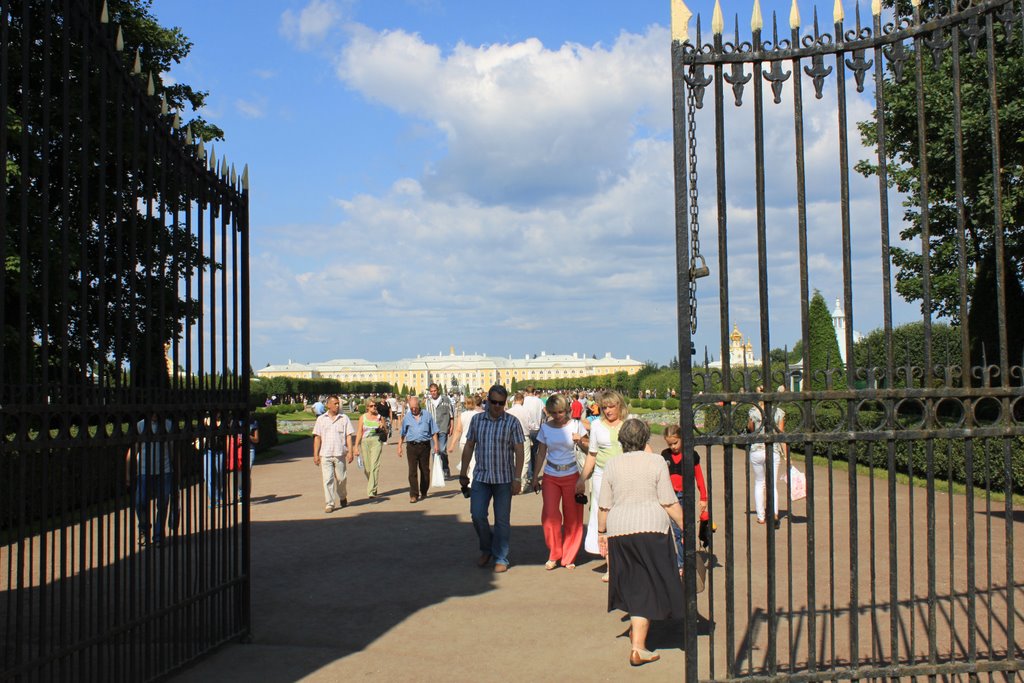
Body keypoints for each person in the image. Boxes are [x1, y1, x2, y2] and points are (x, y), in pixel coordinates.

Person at [597, 418, 684, 666]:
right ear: (646, 439)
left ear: (622, 440)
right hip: (652, 528)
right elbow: (668, 501)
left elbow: (604, 503)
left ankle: (638, 643)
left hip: (620, 529)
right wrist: (686, 525)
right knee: (649, 585)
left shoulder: (613, 464)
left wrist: (601, 533)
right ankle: (638, 646)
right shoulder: (656, 461)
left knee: (636, 584)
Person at [459, 384, 525, 573]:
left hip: (504, 478)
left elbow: (519, 450)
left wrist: (517, 478)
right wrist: (463, 472)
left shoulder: (512, 422)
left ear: (505, 403)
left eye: (501, 403)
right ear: (487, 400)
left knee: (502, 520)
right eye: (493, 402)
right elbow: (469, 445)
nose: (497, 406)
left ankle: (501, 557)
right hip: (481, 476)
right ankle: (486, 547)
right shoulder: (477, 420)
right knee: (477, 515)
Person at [577, 390, 631, 581]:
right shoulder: (597, 425)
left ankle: (626, 560)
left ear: (619, 406)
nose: (608, 411)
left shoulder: (628, 424)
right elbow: (592, 454)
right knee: (604, 517)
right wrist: (582, 479)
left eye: (611, 406)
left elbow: (640, 448)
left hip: (625, 475)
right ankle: (611, 563)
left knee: (624, 517)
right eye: (604, 407)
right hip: (602, 476)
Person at [532, 394, 587, 570]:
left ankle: (568, 556)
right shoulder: (545, 428)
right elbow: (541, 453)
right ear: (548, 411)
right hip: (550, 475)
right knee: (550, 515)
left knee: (573, 517)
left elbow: (589, 447)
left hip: (571, 474)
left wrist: (581, 441)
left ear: (567, 410)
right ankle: (554, 552)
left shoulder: (576, 425)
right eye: (554, 412)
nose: (558, 416)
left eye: (561, 412)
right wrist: (535, 476)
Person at [125, 413, 178, 547]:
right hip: (144, 470)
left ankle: (158, 536)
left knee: (163, 503)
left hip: (165, 470)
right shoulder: (140, 425)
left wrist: (176, 472)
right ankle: (144, 528)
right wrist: (127, 473)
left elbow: (173, 451)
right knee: (139, 502)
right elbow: (133, 449)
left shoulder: (168, 424)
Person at [661, 424, 707, 573]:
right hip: (671, 497)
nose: (673, 446)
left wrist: (703, 497)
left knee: (687, 529)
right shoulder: (665, 455)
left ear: (681, 439)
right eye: (670, 444)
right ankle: (681, 563)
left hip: (686, 496)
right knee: (676, 531)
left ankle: (687, 559)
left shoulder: (690, 454)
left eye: (675, 443)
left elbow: (699, 477)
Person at [748, 385, 787, 528]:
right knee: (772, 484)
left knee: (759, 482)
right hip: (773, 449)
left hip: (757, 449)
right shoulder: (778, 412)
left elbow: (751, 429)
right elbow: (780, 433)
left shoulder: (754, 411)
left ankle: (761, 516)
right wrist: (786, 456)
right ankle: (775, 513)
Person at [312, 395, 355, 513]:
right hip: (325, 454)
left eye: (338, 403)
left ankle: (342, 496)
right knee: (328, 480)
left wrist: (350, 451)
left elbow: (348, 436)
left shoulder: (344, 418)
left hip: (340, 454)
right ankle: (329, 503)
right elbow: (317, 437)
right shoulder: (321, 419)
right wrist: (315, 454)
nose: (337, 405)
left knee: (341, 479)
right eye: (335, 403)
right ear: (328, 405)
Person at [398, 396, 439, 503]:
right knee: (412, 471)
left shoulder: (427, 415)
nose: (413, 409)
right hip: (412, 446)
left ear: (419, 405)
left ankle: (424, 490)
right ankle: (414, 494)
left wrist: (436, 444)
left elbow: (434, 431)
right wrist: (399, 446)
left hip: (425, 446)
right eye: (411, 408)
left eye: (415, 407)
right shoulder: (407, 417)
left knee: (425, 470)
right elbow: (402, 434)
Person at [353, 399, 386, 498]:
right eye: (371, 406)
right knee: (367, 469)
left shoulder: (380, 417)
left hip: (376, 441)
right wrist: (356, 447)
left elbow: (385, 431)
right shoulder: (362, 418)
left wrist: (382, 426)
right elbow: (359, 432)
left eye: (375, 405)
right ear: (367, 407)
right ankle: (373, 485)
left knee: (375, 466)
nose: (374, 407)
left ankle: (371, 491)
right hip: (365, 442)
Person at [448, 394, 483, 479]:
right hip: (475, 442)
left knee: (466, 463)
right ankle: (471, 482)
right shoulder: (479, 415)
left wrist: (452, 444)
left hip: (463, 442)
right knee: (473, 463)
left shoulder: (462, 415)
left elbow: (458, 430)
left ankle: (468, 479)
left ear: (466, 404)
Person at [426, 383, 456, 478]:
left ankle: (445, 468)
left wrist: (451, 426)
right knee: (434, 450)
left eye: (434, 391)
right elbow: (426, 416)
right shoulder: (428, 402)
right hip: (432, 430)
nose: (433, 393)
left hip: (443, 428)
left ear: (438, 390)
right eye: (431, 391)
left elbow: (451, 414)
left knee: (442, 450)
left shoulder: (445, 400)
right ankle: (437, 471)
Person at [506, 392, 532, 491]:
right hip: (524, 436)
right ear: (522, 400)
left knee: (512, 459)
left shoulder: (509, 411)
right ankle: (521, 483)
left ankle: (512, 481)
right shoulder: (526, 410)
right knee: (525, 460)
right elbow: (531, 425)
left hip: (510, 437)